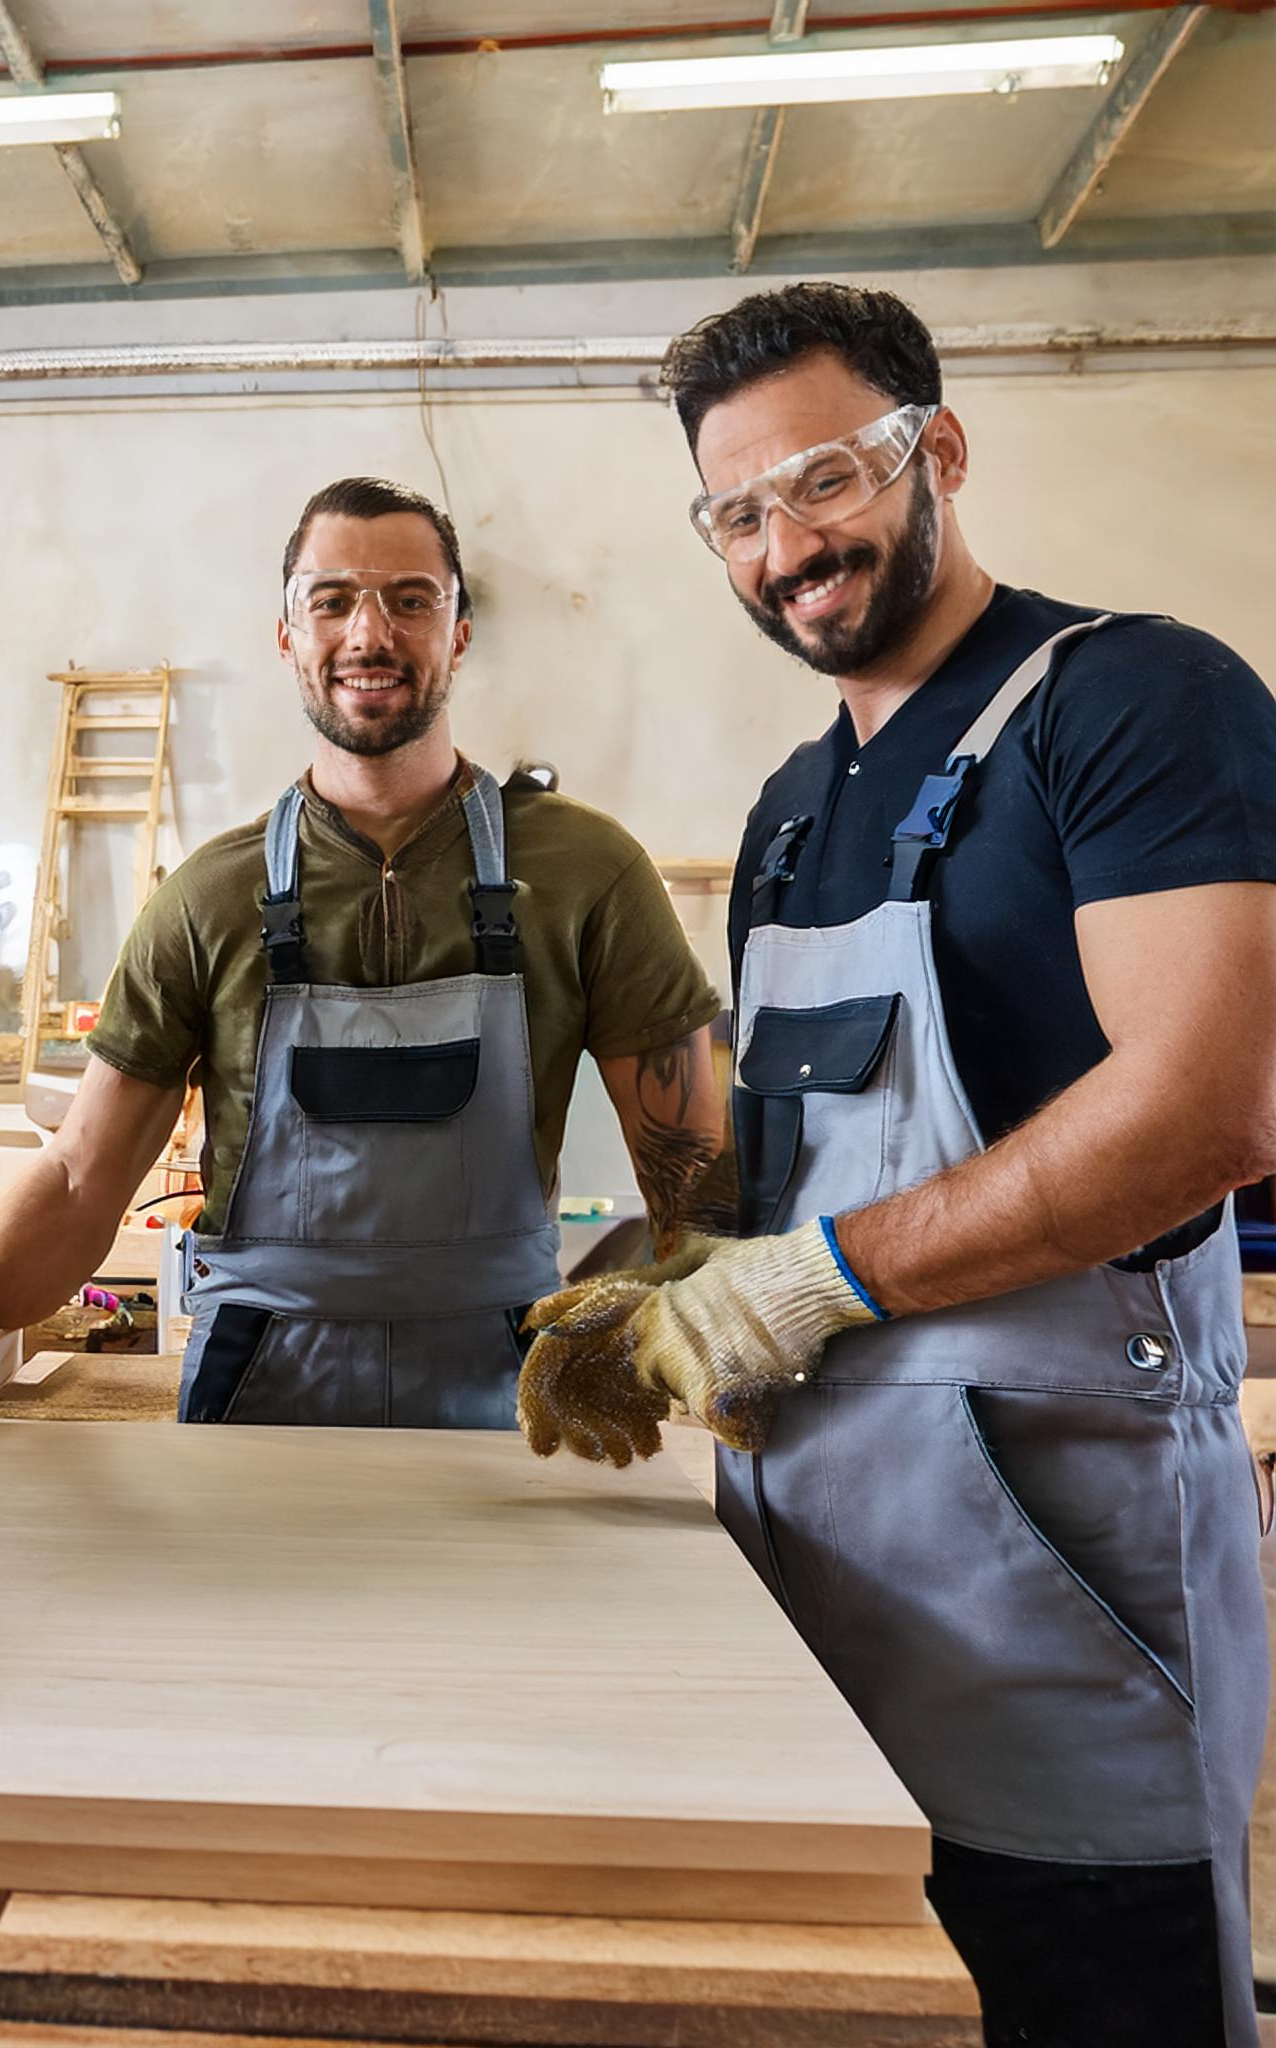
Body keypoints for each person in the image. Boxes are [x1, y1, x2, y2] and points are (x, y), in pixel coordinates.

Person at [518, 281, 1276, 2046]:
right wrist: (656, 1266)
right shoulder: (790, 804)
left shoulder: (1129, 702)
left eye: (825, 480)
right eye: (734, 513)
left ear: (932, 448)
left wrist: (810, 1281)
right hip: (810, 1582)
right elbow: (764, 1173)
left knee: (1092, 1995)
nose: (786, 544)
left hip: (1051, 1572)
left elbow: (1208, 1106)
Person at [0, 476, 723, 1428]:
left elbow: (691, 1173)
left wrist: (713, 1347)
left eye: (411, 600)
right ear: (287, 635)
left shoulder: (586, 872)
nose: (370, 634)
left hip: (514, 1398)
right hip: (259, 1392)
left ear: (460, 633)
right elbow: (77, 1182)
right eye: (333, 601)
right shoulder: (209, 897)